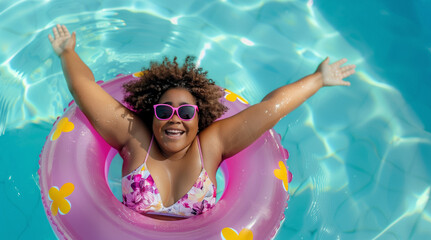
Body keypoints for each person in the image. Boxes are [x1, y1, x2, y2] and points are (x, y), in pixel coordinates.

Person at [48, 24, 356, 221]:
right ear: (151, 114)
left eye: (185, 113)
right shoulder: (135, 138)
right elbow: (85, 90)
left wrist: (318, 79)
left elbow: (269, 110)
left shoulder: (212, 145)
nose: (174, 120)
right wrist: (67, 53)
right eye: (164, 111)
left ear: (199, 120)